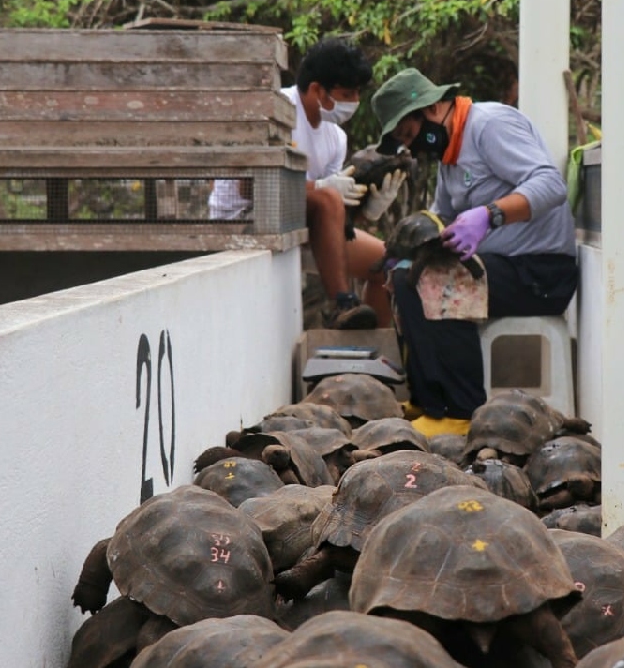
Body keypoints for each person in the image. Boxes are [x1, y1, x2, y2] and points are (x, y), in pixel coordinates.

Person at [371, 67, 578, 436]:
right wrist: (403, 245)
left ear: (432, 110)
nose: (412, 147)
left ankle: (462, 410)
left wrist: (489, 215)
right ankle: (428, 400)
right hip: (500, 266)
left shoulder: (490, 124)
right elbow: (442, 217)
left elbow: (551, 184)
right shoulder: (449, 157)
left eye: (409, 134)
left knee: (440, 282)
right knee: (405, 275)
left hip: (540, 272)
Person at [209, 37, 403, 330]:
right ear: (316, 89)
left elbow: (334, 218)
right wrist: (323, 188)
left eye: (357, 94)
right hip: (244, 218)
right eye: (346, 93)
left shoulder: (336, 137)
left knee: (387, 264)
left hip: (302, 221)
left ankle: (371, 348)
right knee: (327, 197)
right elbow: (249, 188)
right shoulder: (277, 109)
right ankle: (341, 303)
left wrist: (368, 209)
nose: (353, 103)